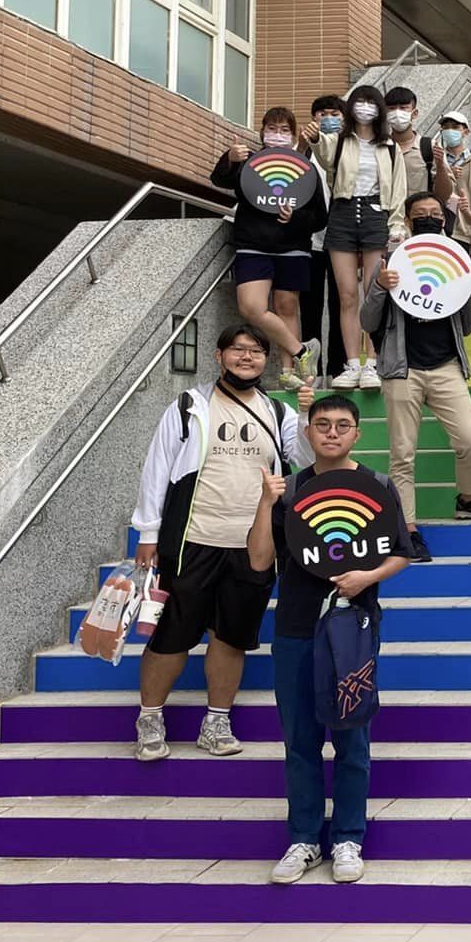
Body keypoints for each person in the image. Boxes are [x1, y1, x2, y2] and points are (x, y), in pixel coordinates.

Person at [129, 324, 311, 763]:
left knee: (231, 637)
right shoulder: (189, 406)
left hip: (252, 543)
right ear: (219, 355)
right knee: (171, 637)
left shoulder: (278, 411)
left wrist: (306, 418)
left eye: (256, 351)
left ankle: (217, 722)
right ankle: (150, 719)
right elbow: (157, 469)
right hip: (193, 537)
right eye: (238, 350)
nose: (246, 357)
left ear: (267, 360)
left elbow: (303, 463)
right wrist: (148, 532)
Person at [248, 392, 409, 886]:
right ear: (308, 433)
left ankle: (348, 839)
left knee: (351, 737)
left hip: (353, 632)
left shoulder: (378, 486)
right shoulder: (290, 490)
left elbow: (402, 553)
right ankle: (303, 839)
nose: (332, 432)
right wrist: (265, 501)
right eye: (322, 424)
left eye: (342, 424)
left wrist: (366, 578)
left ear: (358, 433)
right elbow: (258, 560)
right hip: (296, 630)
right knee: (299, 741)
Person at [364, 191, 471, 550]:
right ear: (409, 220)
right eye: (421, 214)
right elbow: (368, 320)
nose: (429, 218)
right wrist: (382, 289)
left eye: (434, 213)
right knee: (403, 453)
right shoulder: (390, 261)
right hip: (402, 369)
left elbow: (464, 326)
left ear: (443, 220)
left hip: (445, 365)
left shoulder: (455, 260)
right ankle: (408, 529)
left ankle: (468, 499)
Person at [211, 107, 325, 387]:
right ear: (262, 133)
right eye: (272, 129)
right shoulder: (248, 161)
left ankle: (288, 373)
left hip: (293, 246)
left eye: (284, 130)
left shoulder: (304, 166)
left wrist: (294, 218)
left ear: (293, 134)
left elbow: (320, 216)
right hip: (253, 244)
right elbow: (219, 180)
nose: (277, 135)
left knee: (287, 308)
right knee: (251, 307)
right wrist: (229, 159)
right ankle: (302, 350)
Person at [310, 82, 404, 387]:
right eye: (359, 102)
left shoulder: (390, 147)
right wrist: (313, 138)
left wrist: (397, 223)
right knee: (347, 294)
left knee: (373, 293)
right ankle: (351, 364)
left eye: (370, 102)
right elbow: (323, 157)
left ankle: (372, 363)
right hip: (342, 212)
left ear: (379, 109)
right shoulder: (339, 140)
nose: (365, 107)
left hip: (377, 213)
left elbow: (400, 189)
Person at [300, 93, 348, 380]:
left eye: (334, 113)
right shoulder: (304, 151)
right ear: (313, 118)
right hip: (309, 239)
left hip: (343, 238)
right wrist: (302, 145)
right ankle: (311, 371)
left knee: (343, 302)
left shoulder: (350, 147)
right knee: (310, 306)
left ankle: (338, 368)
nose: (328, 118)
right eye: (322, 114)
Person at [434, 109, 471, 273]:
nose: (450, 130)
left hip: (465, 233)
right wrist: (444, 169)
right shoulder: (436, 159)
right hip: (440, 228)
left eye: (455, 127)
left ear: (466, 131)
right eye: (446, 127)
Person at [384, 85, 456, 205]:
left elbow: (444, 195)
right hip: (385, 218)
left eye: (403, 108)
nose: (397, 113)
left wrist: (440, 166)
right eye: (391, 108)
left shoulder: (429, 147)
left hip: (420, 217)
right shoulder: (380, 148)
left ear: (414, 113)